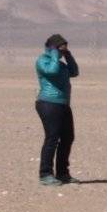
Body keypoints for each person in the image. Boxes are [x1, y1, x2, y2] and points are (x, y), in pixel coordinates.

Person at [35, 34, 80, 185]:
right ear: (52, 47)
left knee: (68, 138)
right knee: (52, 137)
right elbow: (52, 71)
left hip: (63, 104)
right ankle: (45, 174)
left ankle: (62, 173)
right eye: (61, 47)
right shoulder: (43, 61)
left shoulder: (61, 64)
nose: (62, 51)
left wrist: (68, 56)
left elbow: (74, 72)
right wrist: (54, 53)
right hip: (48, 103)